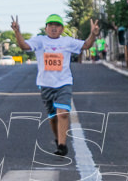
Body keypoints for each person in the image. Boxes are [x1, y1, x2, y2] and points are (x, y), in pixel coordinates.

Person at [11, 13, 99, 156]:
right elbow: (24, 46)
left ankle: (62, 146)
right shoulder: (40, 41)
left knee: (62, 113)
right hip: (45, 85)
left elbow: (86, 45)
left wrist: (93, 34)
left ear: (62, 29)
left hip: (64, 83)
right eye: (50, 25)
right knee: (52, 117)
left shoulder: (67, 42)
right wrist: (17, 32)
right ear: (45, 28)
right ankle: (59, 139)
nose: (53, 28)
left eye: (57, 26)